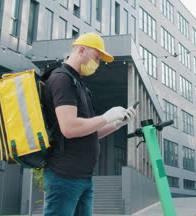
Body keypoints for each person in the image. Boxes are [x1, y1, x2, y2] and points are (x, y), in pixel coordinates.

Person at [41, 33, 136, 216]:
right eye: (97, 58)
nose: (98, 64)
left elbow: (89, 131)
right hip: (64, 175)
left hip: (82, 176)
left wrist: (117, 123)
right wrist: (107, 117)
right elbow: (69, 129)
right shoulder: (62, 79)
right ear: (82, 50)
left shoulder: (79, 84)